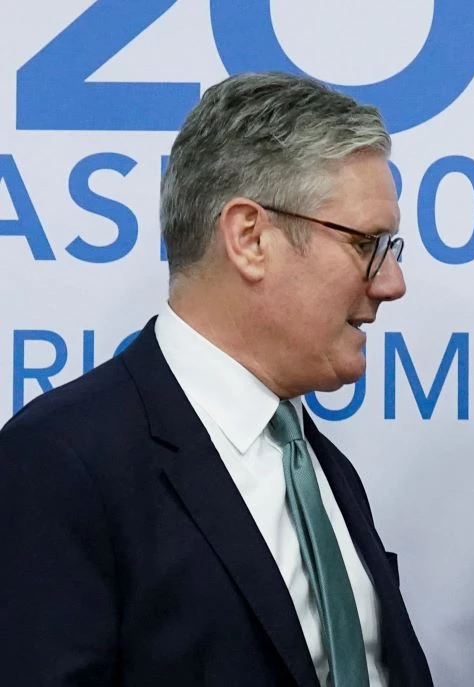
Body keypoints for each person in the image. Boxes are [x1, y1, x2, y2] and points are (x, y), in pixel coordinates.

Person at [0, 72, 433, 686]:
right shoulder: (60, 463)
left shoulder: (319, 466)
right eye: (366, 244)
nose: (392, 282)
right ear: (250, 239)